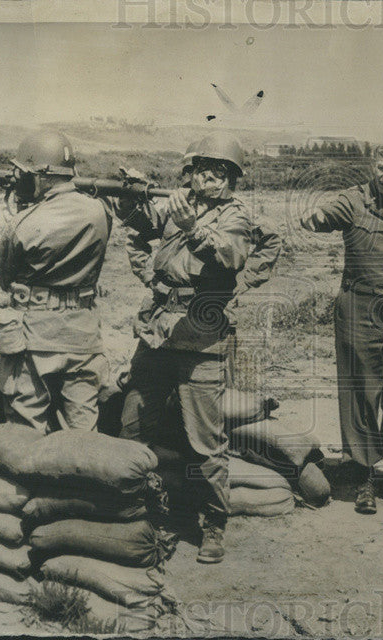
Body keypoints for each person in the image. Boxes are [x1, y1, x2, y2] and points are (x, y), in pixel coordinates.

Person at [117, 132, 254, 564]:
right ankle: (139, 512)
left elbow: (229, 257)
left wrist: (196, 229)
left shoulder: (236, 215)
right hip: (157, 331)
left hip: (201, 336)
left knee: (204, 440)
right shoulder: (175, 205)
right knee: (133, 426)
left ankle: (213, 522)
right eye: (201, 170)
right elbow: (138, 231)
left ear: (231, 179)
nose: (208, 178)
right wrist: (133, 200)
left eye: (219, 172)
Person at [299, 138, 383, 514]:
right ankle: (363, 477)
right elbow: (323, 216)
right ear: (372, 167)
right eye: (381, 168)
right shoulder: (353, 200)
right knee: (361, 392)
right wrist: (316, 218)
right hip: (359, 306)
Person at [0, 130, 112, 433]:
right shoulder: (100, 211)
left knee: (25, 432)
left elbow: (5, 278)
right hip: (83, 336)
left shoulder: (24, 223)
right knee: (83, 432)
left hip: (36, 337)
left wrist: (22, 209)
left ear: (41, 177)